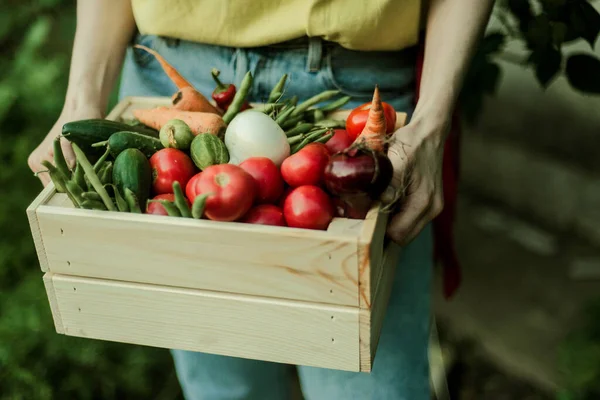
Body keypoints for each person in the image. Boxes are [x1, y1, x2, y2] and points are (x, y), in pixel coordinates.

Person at [28, 1, 495, 398]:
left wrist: (432, 124)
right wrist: (79, 102)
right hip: (172, 84)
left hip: (353, 87)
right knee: (224, 387)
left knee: (369, 382)